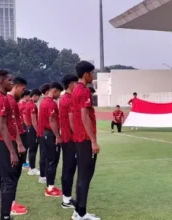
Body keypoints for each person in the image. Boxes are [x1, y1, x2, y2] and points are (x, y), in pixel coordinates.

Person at [0, 69, 27, 219]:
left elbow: (10, 125)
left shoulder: (3, 98)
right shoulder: (0, 99)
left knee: (7, 180)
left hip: (2, 143)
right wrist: (12, 150)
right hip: (1, 143)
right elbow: (2, 126)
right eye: (9, 80)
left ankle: (6, 214)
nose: (12, 82)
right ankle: (5, 216)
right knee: (9, 181)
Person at [72, 61, 101, 220]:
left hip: (79, 138)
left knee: (82, 175)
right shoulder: (83, 91)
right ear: (86, 74)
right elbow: (84, 116)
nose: (93, 76)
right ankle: (80, 213)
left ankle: (79, 210)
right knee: (85, 176)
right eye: (92, 73)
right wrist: (93, 141)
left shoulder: (76, 89)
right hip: (84, 140)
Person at [6, 76, 28, 214]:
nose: (23, 92)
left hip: (15, 139)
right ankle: (10, 205)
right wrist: (19, 144)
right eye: (23, 89)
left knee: (12, 175)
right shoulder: (10, 101)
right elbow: (12, 125)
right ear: (17, 86)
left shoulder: (11, 100)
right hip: (15, 141)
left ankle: (10, 203)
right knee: (13, 174)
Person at [40, 82, 64, 197]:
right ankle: (50, 188)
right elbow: (52, 120)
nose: (59, 95)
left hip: (45, 134)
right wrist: (58, 136)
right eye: (59, 92)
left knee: (49, 160)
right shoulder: (51, 103)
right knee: (53, 161)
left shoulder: (43, 101)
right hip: (50, 134)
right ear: (54, 91)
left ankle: (50, 186)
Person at [59, 74, 79, 208]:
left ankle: (66, 197)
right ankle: (66, 199)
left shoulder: (63, 98)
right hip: (70, 139)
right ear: (71, 84)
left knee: (68, 168)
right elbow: (72, 122)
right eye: (76, 83)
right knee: (69, 169)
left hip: (66, 138)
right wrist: (78, 138)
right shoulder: (69, 99)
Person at [24, 89, 42, 176]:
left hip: (29, 127)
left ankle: (32, 167)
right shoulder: (32, 106)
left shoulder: (27, 104)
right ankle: (32, 168)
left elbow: (24, 115)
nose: (38, 99)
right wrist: (37, 130)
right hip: (32, 129)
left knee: (31, 149)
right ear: (35, 95)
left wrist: (27, 124)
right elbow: (34, 120)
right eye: (38, 96)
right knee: (33, 149)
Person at [37, 84, 50, 183]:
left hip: (42, 131)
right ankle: (43, 175)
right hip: (44, 132)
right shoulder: (47, 102)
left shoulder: (42, 102)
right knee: (45, 155)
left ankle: (43, 175)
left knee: (44, 154)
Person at [18, 90, 31, 169]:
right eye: (29, 96)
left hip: (21, 125)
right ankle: (23, 162)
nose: (29, 98)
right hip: (23, 125)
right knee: (25, 144)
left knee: (24, 144)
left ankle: (23, 160)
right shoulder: (23, 105)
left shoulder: (19, 104)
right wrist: (27, 126)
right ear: (25, 96)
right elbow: (24, 116)